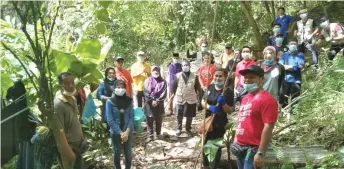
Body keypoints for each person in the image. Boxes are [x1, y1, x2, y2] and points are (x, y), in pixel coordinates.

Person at [232, 65, 278, 169]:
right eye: (246, 77)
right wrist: (236, 139)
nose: (247, 80)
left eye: (252, 77)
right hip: (240, 148)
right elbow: (241, 119)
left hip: (254, 150)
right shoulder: (246, 98)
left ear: (261, 79)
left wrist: (261, 153)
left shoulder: (267, 100)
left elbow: (269, 126)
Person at [201, 68, 234, 169]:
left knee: (216, 146)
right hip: (207, 121)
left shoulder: (227, 91)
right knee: (205, 144)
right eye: (216, 76)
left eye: (220, 76)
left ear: (225, 77)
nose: (218, 78)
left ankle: (214, 166)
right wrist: (209, 107)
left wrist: (223, 104)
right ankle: (205, 165)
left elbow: (230, 111)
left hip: (219, 123)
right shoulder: (210, 87)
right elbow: (202, 101)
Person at [51, 72, 85, 169]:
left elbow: (75, 119)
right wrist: (70, 154)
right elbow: (59, 133)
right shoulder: (58, 105)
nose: (70, 86)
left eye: (72, 83)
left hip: (78, 145)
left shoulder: (73, 98)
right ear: (60, 85)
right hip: (69, 148)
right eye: (66, 83)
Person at [105, 80, 134, 169]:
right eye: (118, 87)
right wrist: (121, 133)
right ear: (114, 88)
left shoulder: (129, 100)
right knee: (117, 152)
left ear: (125, 88)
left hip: (127, 131)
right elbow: (110, 120)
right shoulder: (110, 102)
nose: (120, 89)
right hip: (115, 132)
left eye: (122, 87)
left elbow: (131, 117)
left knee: (128, 153)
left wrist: (127, 132)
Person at [172, 60, 200, 136]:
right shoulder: (178, 76)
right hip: (180, 98)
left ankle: (188, 129)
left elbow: (197, 87)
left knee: (189, 115)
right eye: (184, 65)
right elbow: (174, 87)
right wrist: (177, 95)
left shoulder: (195, 76)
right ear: (182, 67)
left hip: (190, 99)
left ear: (189, 66)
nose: (185, 66)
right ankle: (179, 129)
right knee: (179, 115)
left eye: (187, 65)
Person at [143, 65, 167, 142]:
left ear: (159, 71)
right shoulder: (147, 80)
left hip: (159, 104)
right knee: (149, 120)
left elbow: (164, 93)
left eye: (157, 70)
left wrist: (157, 101)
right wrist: (152, 100)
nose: (155, 72)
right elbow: (146, 92)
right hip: (149, 104)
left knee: (158, 119)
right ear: (151, 71)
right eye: (154, 70)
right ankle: (150, 135)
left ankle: (158, 134)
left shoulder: (163, 82)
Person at [279, 41, 305, 109]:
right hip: (285, 80)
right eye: (291, 44)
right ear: (288, 45)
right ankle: (284, 115)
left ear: (297, 46)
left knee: (295, 101)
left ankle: (293, 117)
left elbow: (300, 67)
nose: (293, 45)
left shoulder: (300, 54)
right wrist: (294, 67)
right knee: (283, 100)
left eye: (294, 44)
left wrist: (287, 67)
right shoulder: (284, 55)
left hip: (296, 81)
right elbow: (280, 66)